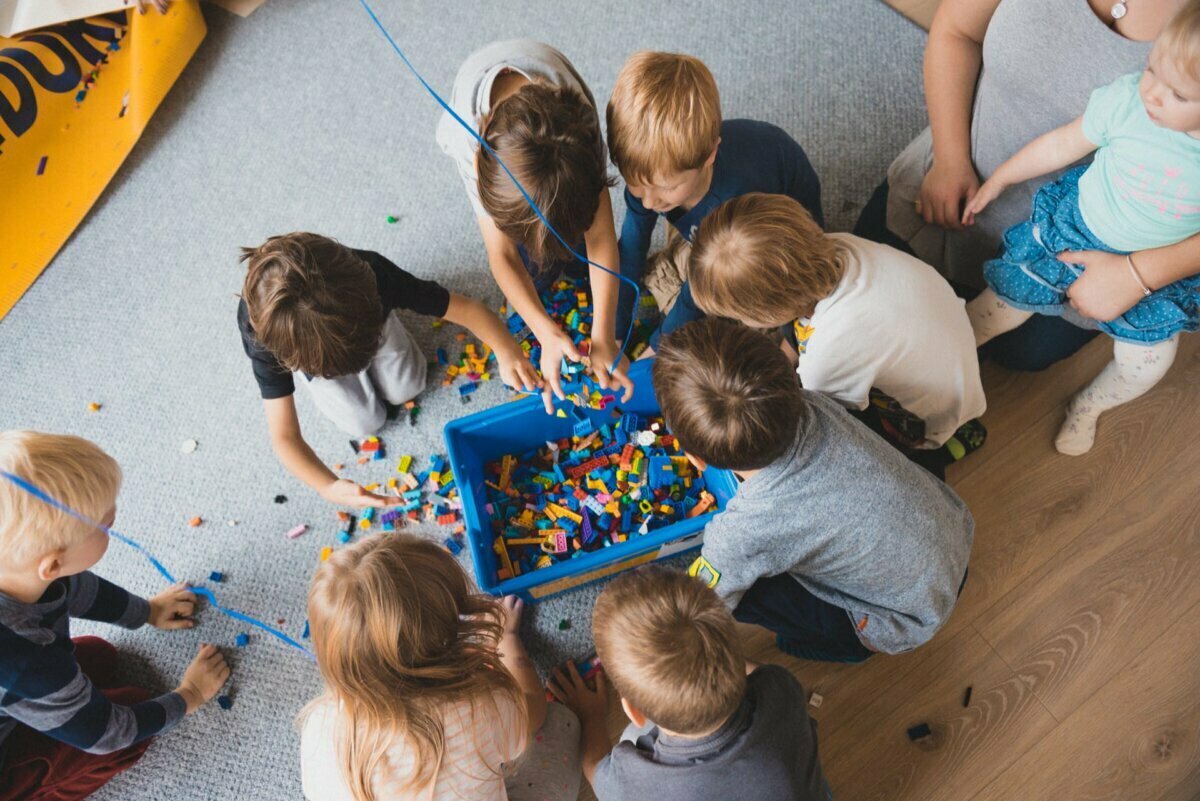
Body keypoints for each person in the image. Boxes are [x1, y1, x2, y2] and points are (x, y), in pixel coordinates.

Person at [856, 0, 1196, 371]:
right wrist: (950, 158)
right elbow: (956, 31)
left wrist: (1137, 275)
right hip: (962, 173)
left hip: (1085, 249)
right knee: (865, 279)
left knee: (1018, 352)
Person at [652, 319, 974, 662]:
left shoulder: (742, 532)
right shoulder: (809, 402)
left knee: (750, 595)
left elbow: (701, 603)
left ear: (696, 460)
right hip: (955, 531)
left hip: (903, 620)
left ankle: (847, 648)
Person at [962, 1, 1200, 455]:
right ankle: (950, 355)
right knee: (997, 307)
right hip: (1074, 232)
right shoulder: (1128, 102)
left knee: (1146, 364)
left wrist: (1135, 275)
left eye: (1178, 94)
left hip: (1149, 272)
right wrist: (998, 180)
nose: (1151, 93)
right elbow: (1060, 145)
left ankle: (1090, 405)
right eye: (1151, 70)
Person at [0, 431, 230, 801]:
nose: (115, 520)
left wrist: (148, 611)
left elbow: (72, 588)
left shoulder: (22, 571)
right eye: (105, 526)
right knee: (129, 722)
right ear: (52, 564)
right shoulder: (26, 659)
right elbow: (107, 734)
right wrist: (189, 696)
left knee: (99, 655)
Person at [688, 193, 986, 472]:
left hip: (927, 412)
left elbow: (829, 424)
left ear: (768, 314)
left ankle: (935, 448)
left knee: (890, 453)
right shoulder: (835, 246)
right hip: (948, 340)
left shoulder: (828, 359)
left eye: (738, 316)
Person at [238, 232, 538, 508]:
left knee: (410, 384)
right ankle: (334, 367)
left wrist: (507, 350)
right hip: (317, 360)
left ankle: (379, 334)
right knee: (363, 423)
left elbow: (469, 309)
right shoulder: (263, 337)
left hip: (371, 325)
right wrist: (327, 486)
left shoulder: (375, 274)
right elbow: (284, 436)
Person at [299, 533, 580, 801]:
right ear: (449, 638)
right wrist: (506, 639)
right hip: (491, 737)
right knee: (561, 722)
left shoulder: (320, 726)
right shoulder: (480, 708)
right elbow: (535, 711)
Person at [436, 40, 632, 412]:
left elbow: (602, 236)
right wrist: (544, 331)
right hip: (478, 113)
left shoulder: (581, 132)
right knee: (528, 260)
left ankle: (565, 253)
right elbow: (502, 254)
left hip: (550, 92)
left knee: (575, 244)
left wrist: (603, 333)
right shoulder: (471, 147)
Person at [550, 566, 830, 801]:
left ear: (634, 711)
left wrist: (590, 715)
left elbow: (595, 769)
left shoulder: (635, 782)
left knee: (630, 739)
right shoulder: (782, 689)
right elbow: (760, 673)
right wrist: (717, 654)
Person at [606, 51, 823, 352]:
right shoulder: (651, 177)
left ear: (709, 157)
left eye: (666, 188)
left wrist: (659, 349)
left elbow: (696, 287)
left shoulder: (734, 201)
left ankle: (794, 342)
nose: (650, 201)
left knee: (744, 332)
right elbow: (631, 247)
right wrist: (612, 330)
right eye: (637, 186)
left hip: (768, 244)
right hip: (709, 224)